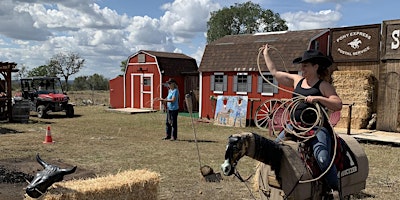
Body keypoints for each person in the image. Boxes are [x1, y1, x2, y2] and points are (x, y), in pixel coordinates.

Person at [262, 44, 343, 196]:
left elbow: (338, 104)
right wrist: (266, 54)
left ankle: (334, 190)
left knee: (323, 157)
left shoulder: (323, 85)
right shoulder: (297, 80)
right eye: (302, 66)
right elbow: (274, 72)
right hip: (294, 126)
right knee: (272, 149)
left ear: (315, 66)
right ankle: (276, 183)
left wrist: (318, 98)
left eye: (305, 66)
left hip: (317, 128)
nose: (302, 69)